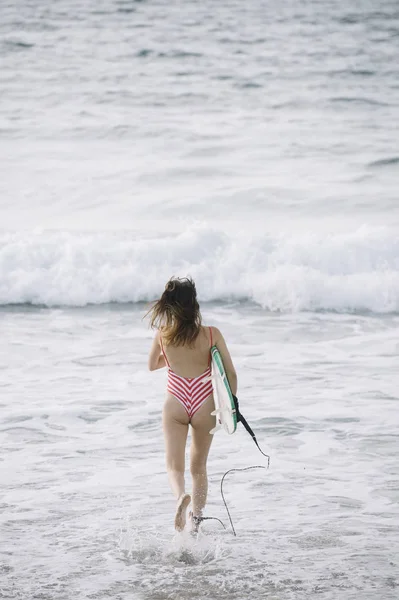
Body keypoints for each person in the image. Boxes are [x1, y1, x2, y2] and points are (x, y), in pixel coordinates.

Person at [146, 277, 237, 532]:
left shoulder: (163, 336)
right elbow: (230, 374)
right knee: (199, 468)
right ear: (194, 304)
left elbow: (152, 365)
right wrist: (230, 407)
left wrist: (171, 358)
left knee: (174, 466)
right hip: (203, 402)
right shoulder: (211, 334)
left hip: (175, 401)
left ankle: (180, 498)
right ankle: (195, 522)